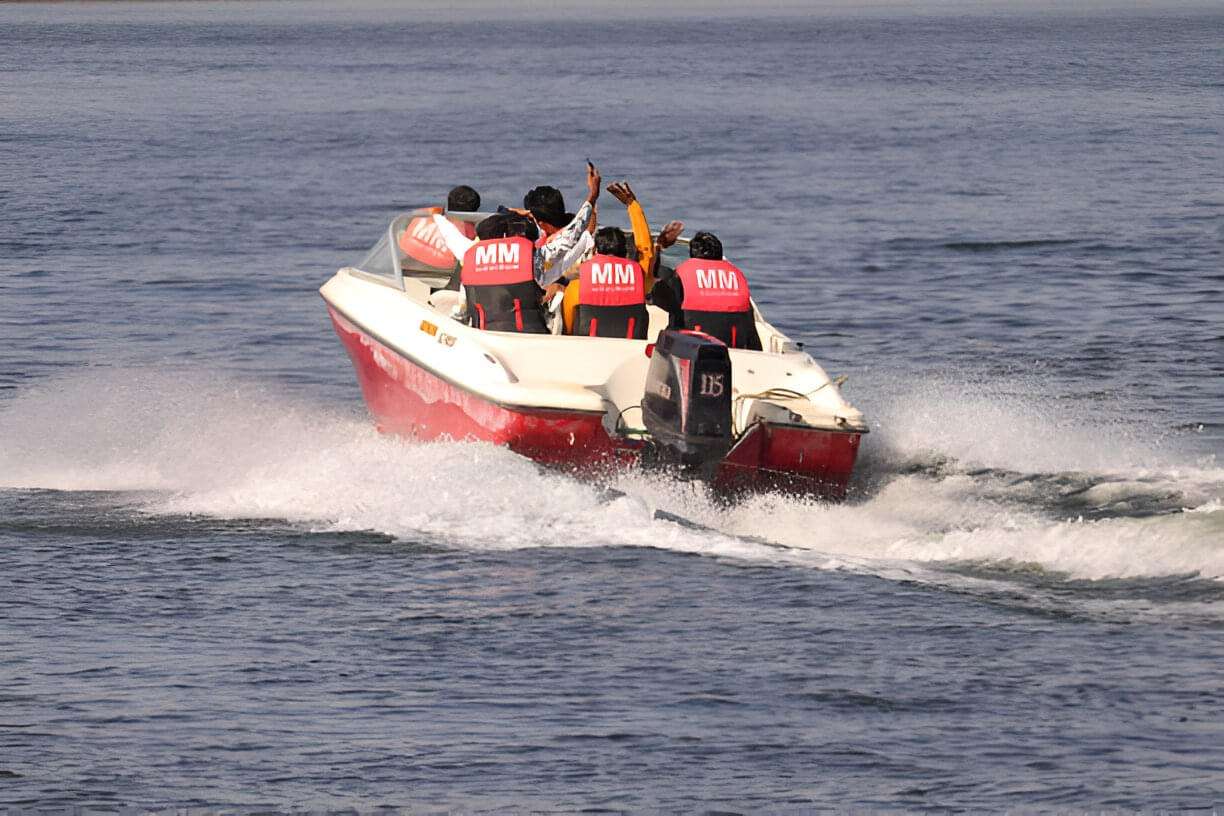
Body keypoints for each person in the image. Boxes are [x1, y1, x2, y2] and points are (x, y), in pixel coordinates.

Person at [431, 164, 602, 331]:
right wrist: (592, 197)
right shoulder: (534, 263)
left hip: (484, 335)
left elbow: (450, 235)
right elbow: (574, 234)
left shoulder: (469, 253)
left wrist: (437, 217)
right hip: (527, 337)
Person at [557, 180, 683, 333]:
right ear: (625, 253)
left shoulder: (579, 284)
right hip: (630, 348)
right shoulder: (638, 279)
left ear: (596, 250)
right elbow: (646, 251)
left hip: (588, 350)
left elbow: (568, 324)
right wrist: (632, 205)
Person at [650, 231, 762, 351]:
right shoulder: (736, 275)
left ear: (693, 253)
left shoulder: (682, 275)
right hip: (733, 350)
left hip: (691, 351)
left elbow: (657, 297)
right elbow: (750, 328)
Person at [398, 184, 483, 271]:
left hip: (406, 265)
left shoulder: (423, 215)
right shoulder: (467, 230)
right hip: (440, 271)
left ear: (449, 202)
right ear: (474, 211)